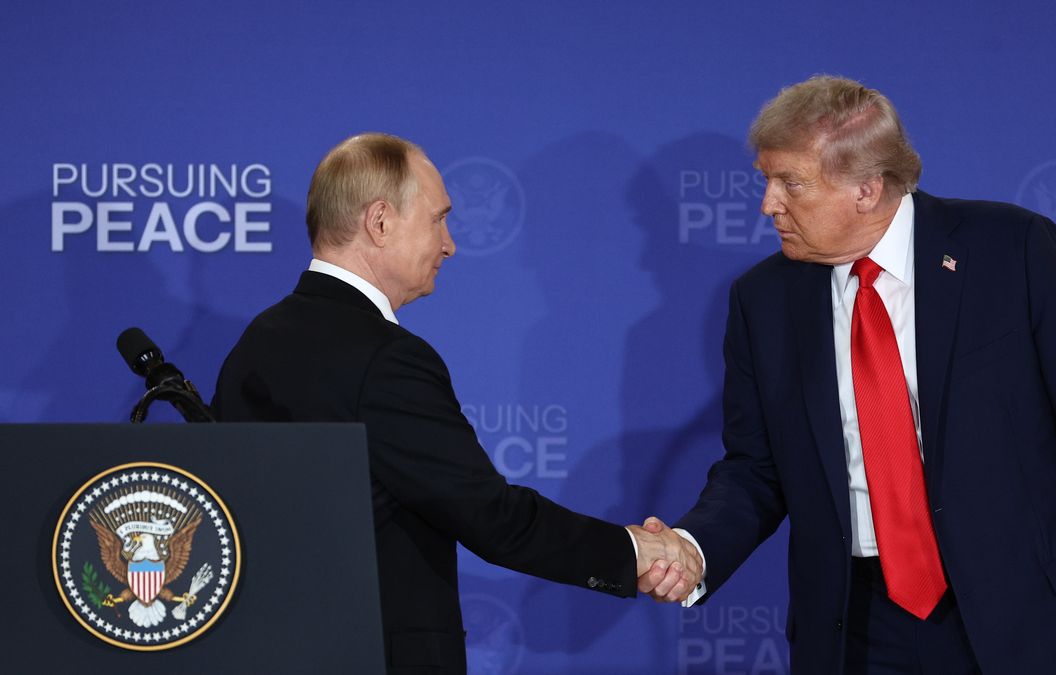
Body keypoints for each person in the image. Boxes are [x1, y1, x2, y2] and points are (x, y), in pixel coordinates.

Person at [637, 76, 1056, 674]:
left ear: (867, 189)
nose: (768, 204)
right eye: (766, 180)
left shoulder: (1013, 251)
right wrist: (693, 547)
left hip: (1023, 618)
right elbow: (755, 470)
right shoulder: (763, 301)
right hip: (854, 629)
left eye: (790, 183)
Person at [211, 133, 701, 674]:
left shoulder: (254, 345)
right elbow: (490, 516)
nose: (450, 244)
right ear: (379, 223)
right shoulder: (387, 360)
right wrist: (631, 553)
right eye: (437, 219)